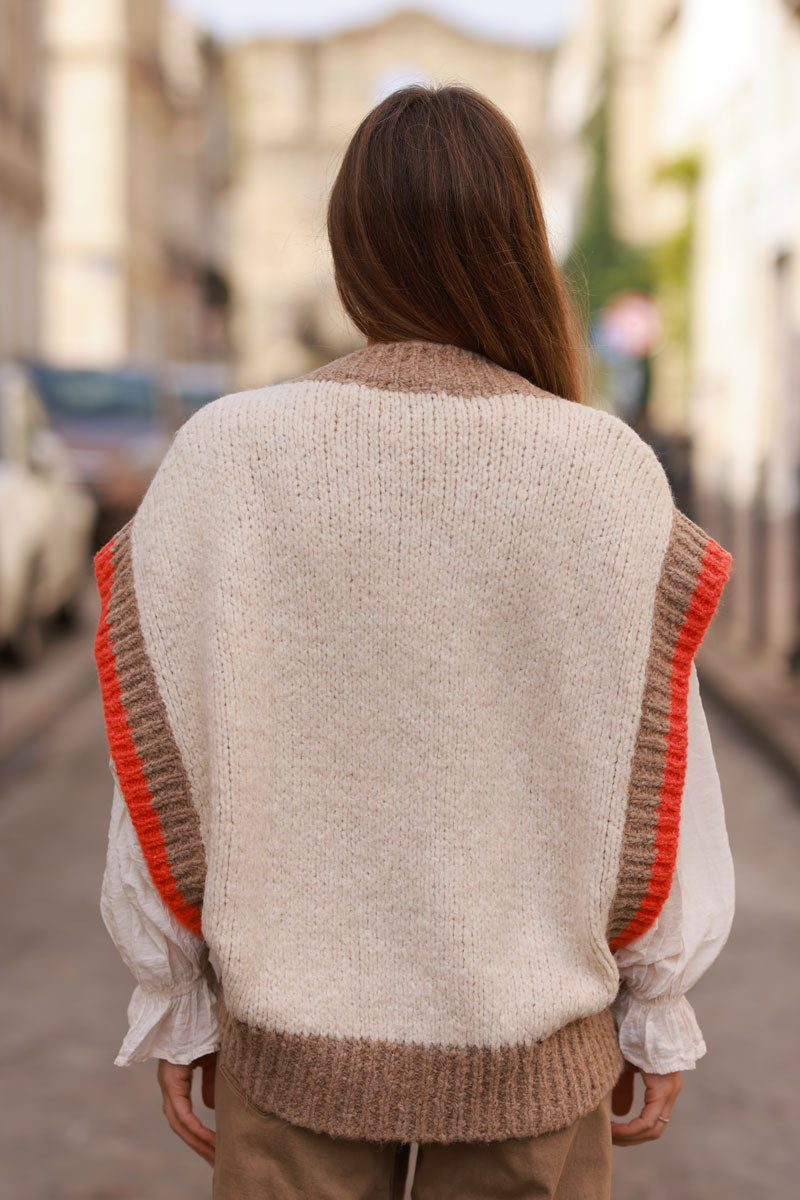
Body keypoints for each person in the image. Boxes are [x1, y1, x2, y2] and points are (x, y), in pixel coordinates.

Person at [95, 84, 735, 1200]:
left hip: (288, 1066)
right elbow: (659, 780)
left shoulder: (224, 458)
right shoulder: (605, 472)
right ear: (516, 245)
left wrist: (176, 997)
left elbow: (163, 762)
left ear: (349, 252)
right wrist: (658, 1009)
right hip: (535, 1074)